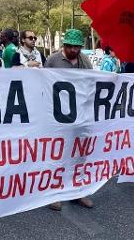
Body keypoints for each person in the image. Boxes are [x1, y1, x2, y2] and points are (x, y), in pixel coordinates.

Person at [44, 28, 93, 211]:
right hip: (58, 116)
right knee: (58, 154)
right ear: (64, 45)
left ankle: (78, 192)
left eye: (77, 47)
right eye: (70, 46)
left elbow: (93, 83)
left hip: (80, 116)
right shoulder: (53, 60)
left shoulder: (85, 60)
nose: (74, 50)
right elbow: (44, 85)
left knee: (79, 155)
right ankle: (54, 193)